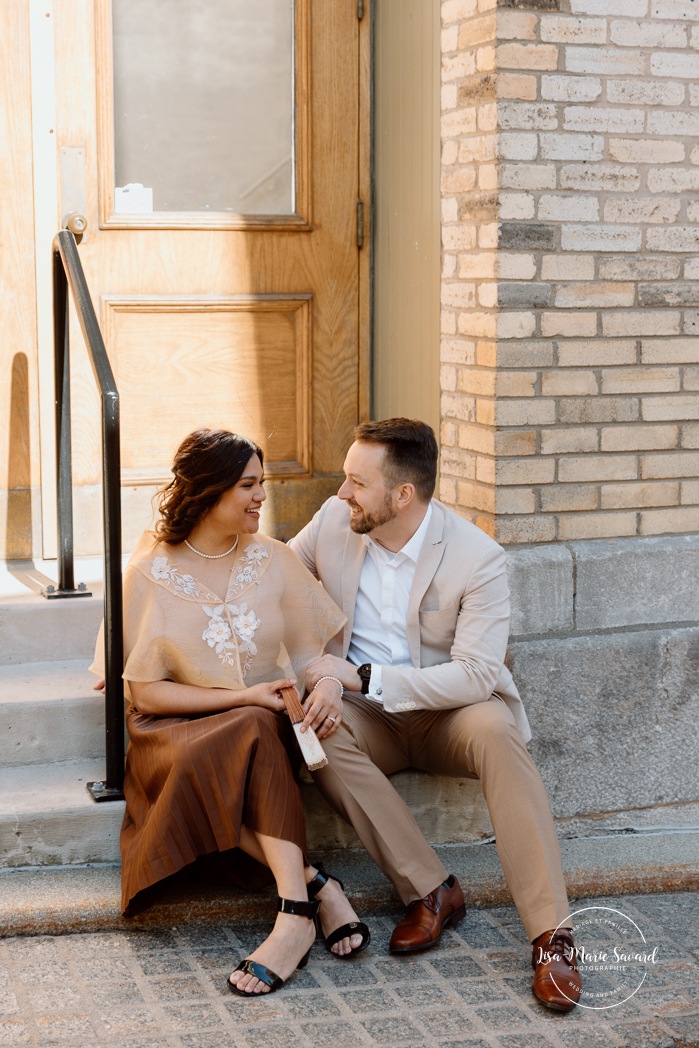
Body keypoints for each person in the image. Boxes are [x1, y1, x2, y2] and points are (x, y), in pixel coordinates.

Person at [289, 418, 582, 1013]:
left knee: (497, 731)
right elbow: (271, 585)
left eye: (355, 482)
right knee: (317, 731)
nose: (341, 492)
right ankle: (431, 889)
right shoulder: (331, 523)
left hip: (450, 714)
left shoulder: (478, 557)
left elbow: (476, 673)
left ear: (403, 495)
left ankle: (553, 937)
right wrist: (319, 669)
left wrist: (364, 675)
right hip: (367, 715)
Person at [90, 428, 369, 998]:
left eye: (262, 483)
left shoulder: (274, 559)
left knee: (257, 729)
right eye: (247, 485)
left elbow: (313, 652)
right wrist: (242, 696)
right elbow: (146, 696)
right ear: (208, 490)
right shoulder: (150, 571)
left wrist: (331, 687)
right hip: (174, 731)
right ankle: (312, 891)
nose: (261, 496)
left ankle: (295, 911)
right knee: (251, 723)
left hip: (262, 723)